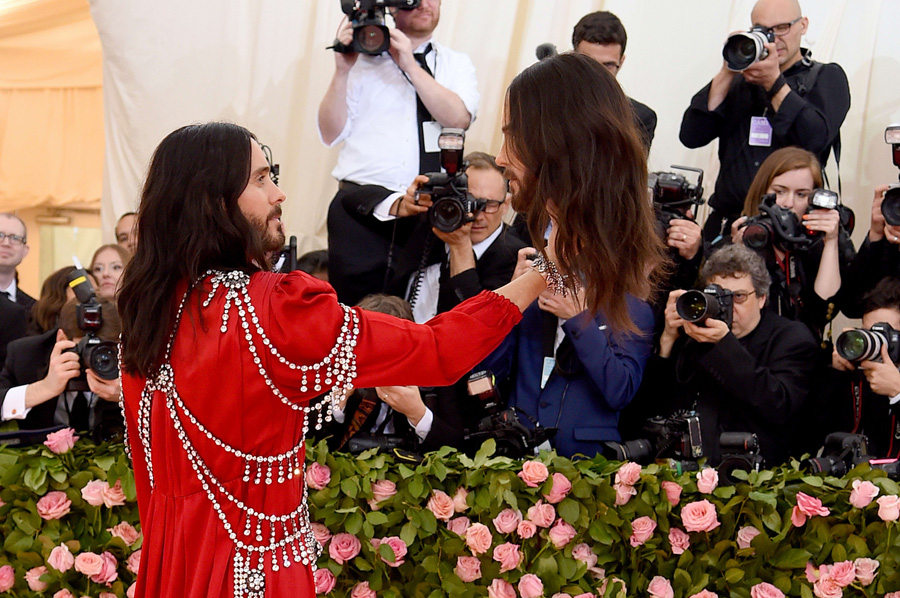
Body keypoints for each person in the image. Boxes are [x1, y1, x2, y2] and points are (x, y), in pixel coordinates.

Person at [116, 122, 553, 598]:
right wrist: (541, 274)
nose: (279, 194)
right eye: (261, 180)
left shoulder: (149, 312)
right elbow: (436, 352)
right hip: (254, 576)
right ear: (215, 203)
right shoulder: (277, 309)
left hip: (169, 571)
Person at [319, 0, 479, 305]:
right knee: (352, 317)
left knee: (416, 317)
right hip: (361, 210)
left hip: (427, 209)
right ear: (390, 6)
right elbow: (330, 134)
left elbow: (458, 118)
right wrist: (341, 71)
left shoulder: (456, 63)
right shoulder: (360, 61)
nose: (423, 4)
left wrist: (409, 63)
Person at [679, 0, 850, 243]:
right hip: (728, 225)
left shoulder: (825, 77)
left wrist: (774, 83)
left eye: (781, 28)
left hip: (789, 230)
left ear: (803, 25)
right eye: (762, 30)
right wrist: (729, 69)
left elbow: (814, 139)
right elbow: (691, 135)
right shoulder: (741, 81)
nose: (773, 38)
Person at [646, 244, 818, 466]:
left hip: (753, 475)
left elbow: (778, 405)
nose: (728, 307)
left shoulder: (791, 338)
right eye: (719, 297)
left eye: (738, 297)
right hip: (683, 471)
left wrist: (724, 343)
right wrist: (667, 340)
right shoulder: (694, 335)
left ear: (762, 298)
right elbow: (654, 405)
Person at [388, 151, 527, 323]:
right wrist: (402, 203)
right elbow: (352, 201)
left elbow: (474, 324)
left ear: (506, 205)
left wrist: (460, 245)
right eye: (468, 202)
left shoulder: (516, 258)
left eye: (488, 204)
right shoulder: (431, 226)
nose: (477, 215)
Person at [731, 147, 855, 339]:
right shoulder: (742, 234)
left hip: (802, 352)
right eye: (779, 192)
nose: (788, 203)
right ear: (763, 191)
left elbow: (821, 313)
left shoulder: (814, 245)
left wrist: (830, 243)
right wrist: (737, 254)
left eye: (801, 194)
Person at [0, 296, 122, 434]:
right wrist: (44, 388)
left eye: (105, 351)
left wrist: (127, 396)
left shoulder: (128, 359)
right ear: (61, 339)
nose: (97, 359)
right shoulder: (27, 355)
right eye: (86, 348)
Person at [825, 277, 900, 458]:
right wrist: (836, 374)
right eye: (868, 332)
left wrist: (897, 393)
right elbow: (816, 433)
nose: (873, 342)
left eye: (884, 334)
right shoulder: (860, 372)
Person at [572, 10, 657, 151]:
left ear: (621, 62)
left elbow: (630, 171)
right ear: (573, 57)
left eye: (608, 65)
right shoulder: (545, 103)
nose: (598, 74)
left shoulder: (640, 118)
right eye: (589, 63)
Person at [0, 213, 35, 310]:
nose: (6, 243)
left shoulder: (34, 310)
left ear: (25, 250)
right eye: (0, 235)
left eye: (15, 238)